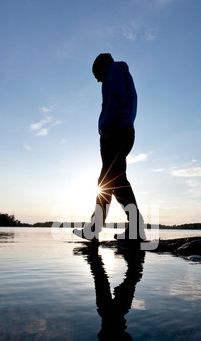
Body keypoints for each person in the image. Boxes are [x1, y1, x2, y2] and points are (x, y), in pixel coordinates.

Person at [73, 53, 146, 242]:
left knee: (109, 181)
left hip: (116, 132)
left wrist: (106, 126)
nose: (97, 80)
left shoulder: (114, 69)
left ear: (102, 65)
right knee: (114, 182)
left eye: (96, 74)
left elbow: (115, 98)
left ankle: (98, 228)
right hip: (122, 131)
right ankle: (132, 228)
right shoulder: (121, 74)